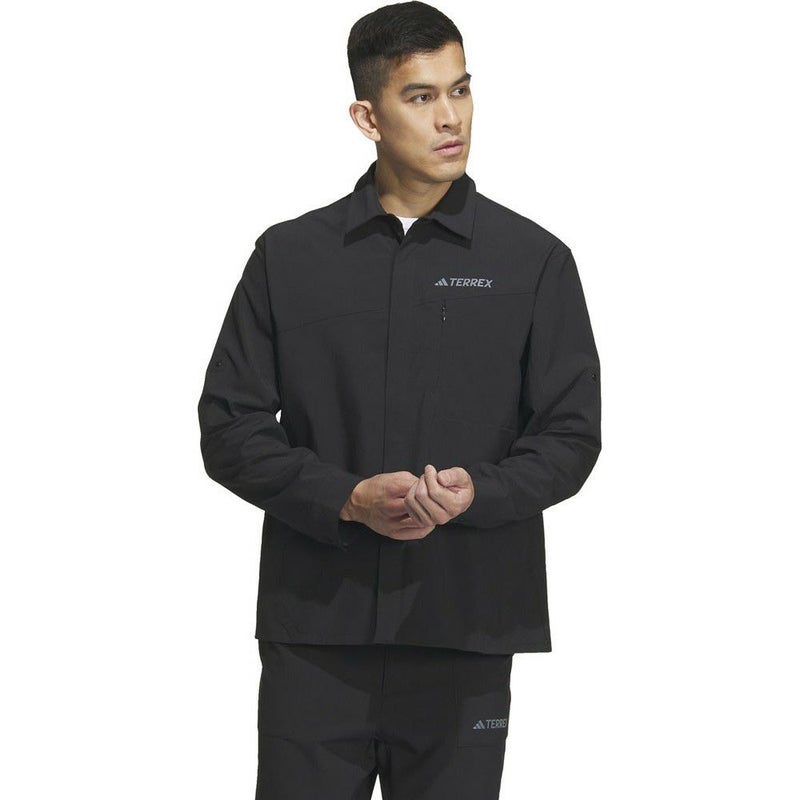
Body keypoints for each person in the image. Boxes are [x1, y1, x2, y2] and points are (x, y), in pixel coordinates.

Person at [197, 2, 602, 797]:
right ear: (368, 117)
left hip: (467, 629)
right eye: (421, 97)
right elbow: (231, 427)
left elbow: (570, 434)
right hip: (317, 635)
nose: (452, 118)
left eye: (461, 89)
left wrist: (479, 491)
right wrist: (344, 497)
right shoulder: (289, 257)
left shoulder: (534, 261)